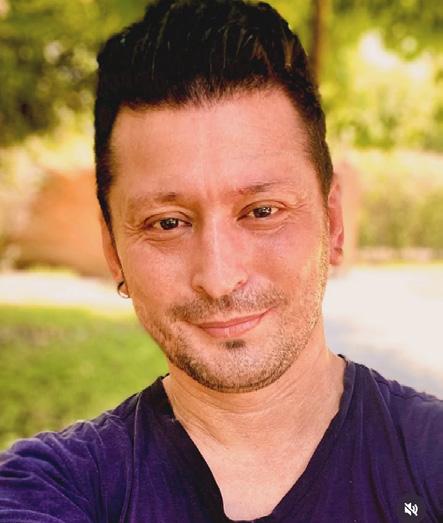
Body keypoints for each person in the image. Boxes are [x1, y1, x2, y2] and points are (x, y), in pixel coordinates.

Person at [0, 0, 442, 521]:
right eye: (168, 223)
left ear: (334, 221)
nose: (218, 277)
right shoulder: (47, 489)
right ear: (113, 249)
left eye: (262, 211)